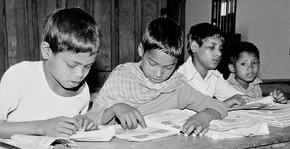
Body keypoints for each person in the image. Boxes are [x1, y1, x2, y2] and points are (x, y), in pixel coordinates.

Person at [86, 17, 227, 137]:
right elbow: (90, 119)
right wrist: (115, 108)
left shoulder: (176, 86)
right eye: (153, 63)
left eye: (168, 67)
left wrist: (204, 116)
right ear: (141, 50)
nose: (159, 74)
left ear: (177, 63)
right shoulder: (122, 78)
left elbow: (218, 105)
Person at [0, 7, 101, 138]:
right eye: (71, 65)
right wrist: (41, 127)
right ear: (47, 51)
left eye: (88, 66)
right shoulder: (20, 75)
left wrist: (80, 122)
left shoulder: (82, 90)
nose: (80, 74)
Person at [177, 23, 246, 108]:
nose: (219, 53)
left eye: (220, 49)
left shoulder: (214, 75)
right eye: (212, 47)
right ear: (194, 46)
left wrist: (264, 101)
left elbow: (238, 98)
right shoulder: (180, 77)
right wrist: (225, 104)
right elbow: (196, 110)